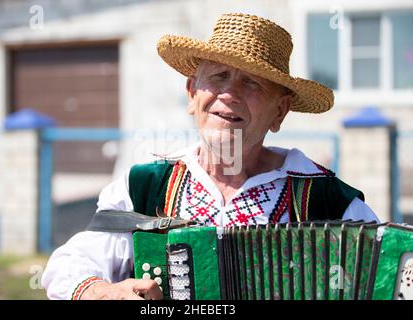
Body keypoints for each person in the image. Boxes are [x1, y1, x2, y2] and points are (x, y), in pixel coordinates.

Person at [41, 12, 379, 300]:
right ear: (192, 94)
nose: (229, 94)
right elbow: (69, 263)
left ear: (279, 112)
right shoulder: (144, 187)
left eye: (252, 84)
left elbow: (389, 274)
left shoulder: (332, 203)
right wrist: (100, 290)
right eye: (218, 77)